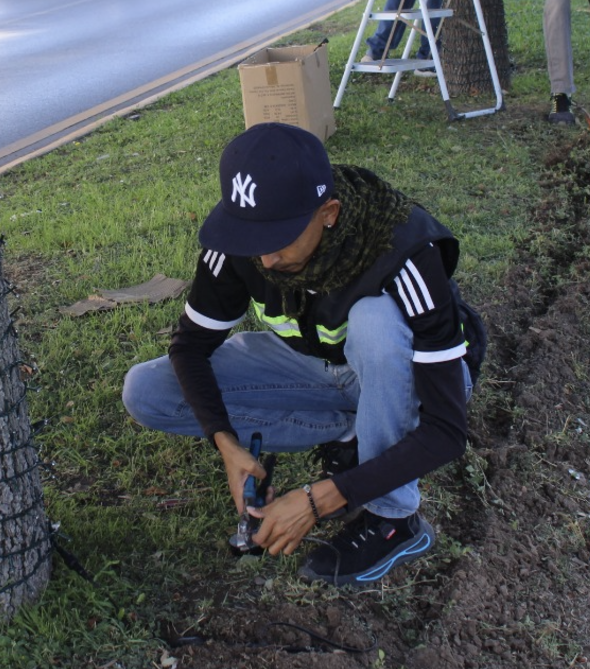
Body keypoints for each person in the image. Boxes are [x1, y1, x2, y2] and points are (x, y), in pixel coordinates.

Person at [122, 122, 485, 586]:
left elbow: (446, 430)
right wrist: (226, 443)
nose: (264, 260)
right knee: (148, 390)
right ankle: (357, 434)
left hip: (411, 377)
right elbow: (190, 347)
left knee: (375, 322)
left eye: (278, 238)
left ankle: (394, 520)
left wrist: (319, 499)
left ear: (328, 213)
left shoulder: (404, 247)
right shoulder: (240, 243)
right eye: (250, 237)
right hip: (313, 369)